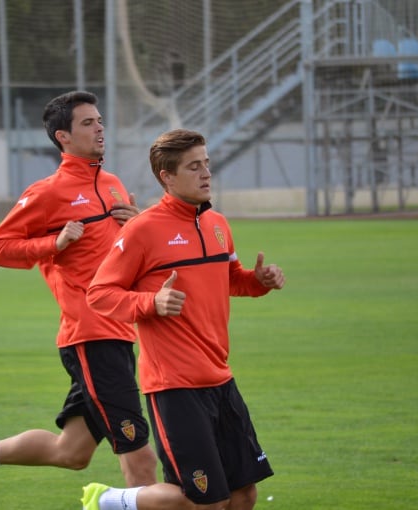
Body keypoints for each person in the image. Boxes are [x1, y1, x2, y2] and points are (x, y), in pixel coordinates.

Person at [0, 91, 158, 505]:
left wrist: (137, 224)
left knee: (70, 453)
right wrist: (53, 244)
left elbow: (124, 254)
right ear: (63, 137)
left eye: (99, 120)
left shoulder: (113, 184)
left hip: (120, 329)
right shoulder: (47, 192)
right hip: (91, 336)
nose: (100, 128)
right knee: (139, 455)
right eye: (88, 123)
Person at [81, 128, 286, 510]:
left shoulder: (218, 224)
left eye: (206, 163)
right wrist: (152, 302)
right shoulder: (143, 230)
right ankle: (111, 501)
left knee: (243, 496)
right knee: (205, 502)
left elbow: (229, 280)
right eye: (194, 167)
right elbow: (99, 294)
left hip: (221, 378)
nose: (206, 173)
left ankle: (114, 501)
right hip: (174, 385)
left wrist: (258, 282)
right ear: (167, 177)